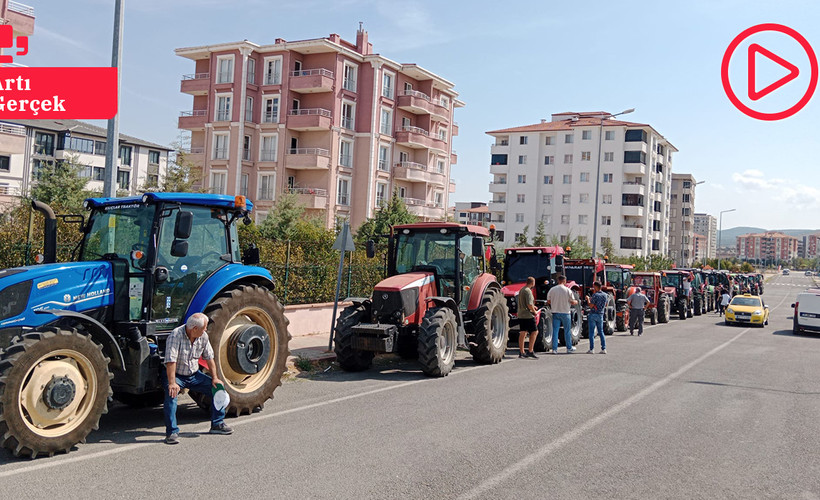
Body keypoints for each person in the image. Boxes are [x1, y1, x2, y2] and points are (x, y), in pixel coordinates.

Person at [162, 312, 233, 445]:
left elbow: (209, 358)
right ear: (194, 329)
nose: (205, 330)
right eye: (204, 327)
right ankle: (172, 432)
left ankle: (217, 424)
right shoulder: (176, 335)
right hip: (177, 375)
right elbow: (171, 361)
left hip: (194, 375)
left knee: (217, 390)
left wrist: (215, 378)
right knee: (171, 396)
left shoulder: (203, 336)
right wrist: (172, 383)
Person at [546, 274, 579, 353]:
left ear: (558, 281)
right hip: (565, 312)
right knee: (567, 331)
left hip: (555, 312)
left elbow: (548, 301)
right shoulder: (567, 290)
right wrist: (576, 301)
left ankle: (554, 349)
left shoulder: (552, 289)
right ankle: (569, 348)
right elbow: (572, 301)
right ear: (564, 281)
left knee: (555, 331)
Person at [517, 277, 539, 359]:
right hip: (528, 315)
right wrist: (534, 311)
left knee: (523, 332)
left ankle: (522, 351)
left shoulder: (522, 289)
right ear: (533, 283)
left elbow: (525, 303)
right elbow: (529, 304)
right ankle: (530, 350)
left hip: (521, 314)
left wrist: (533, 306)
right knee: (535, 332)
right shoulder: (528, 291)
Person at [586, 281, 608, 354]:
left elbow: (591, 305)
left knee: (591, 332)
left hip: (593, 314)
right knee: (601, 332)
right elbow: (606, 304)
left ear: (595, 286)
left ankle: (592, 349)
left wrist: (588, 299)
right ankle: (603, 348)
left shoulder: (595, 295)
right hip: (600, 314)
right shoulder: (605, 295)